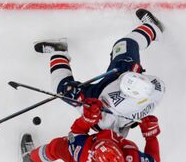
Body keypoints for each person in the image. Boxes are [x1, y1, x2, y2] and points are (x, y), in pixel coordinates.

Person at [34, 9, 166, 136]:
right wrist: (129, 71)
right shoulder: (157, 87)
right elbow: (136, 77)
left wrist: (88, 111)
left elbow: (108, 133)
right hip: (121, 74)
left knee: (61, 87)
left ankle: (59, 51)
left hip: (97, 102)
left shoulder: (108, 120)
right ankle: (154, 28)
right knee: (125, 44)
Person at [21, 98, 160, 162]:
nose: (109, 135)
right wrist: (151, 136)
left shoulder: (83, 155)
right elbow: (154, 161)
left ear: (93, 155)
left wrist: (88, 119)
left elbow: (76, 132)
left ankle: (31, 159)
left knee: (57, 147)